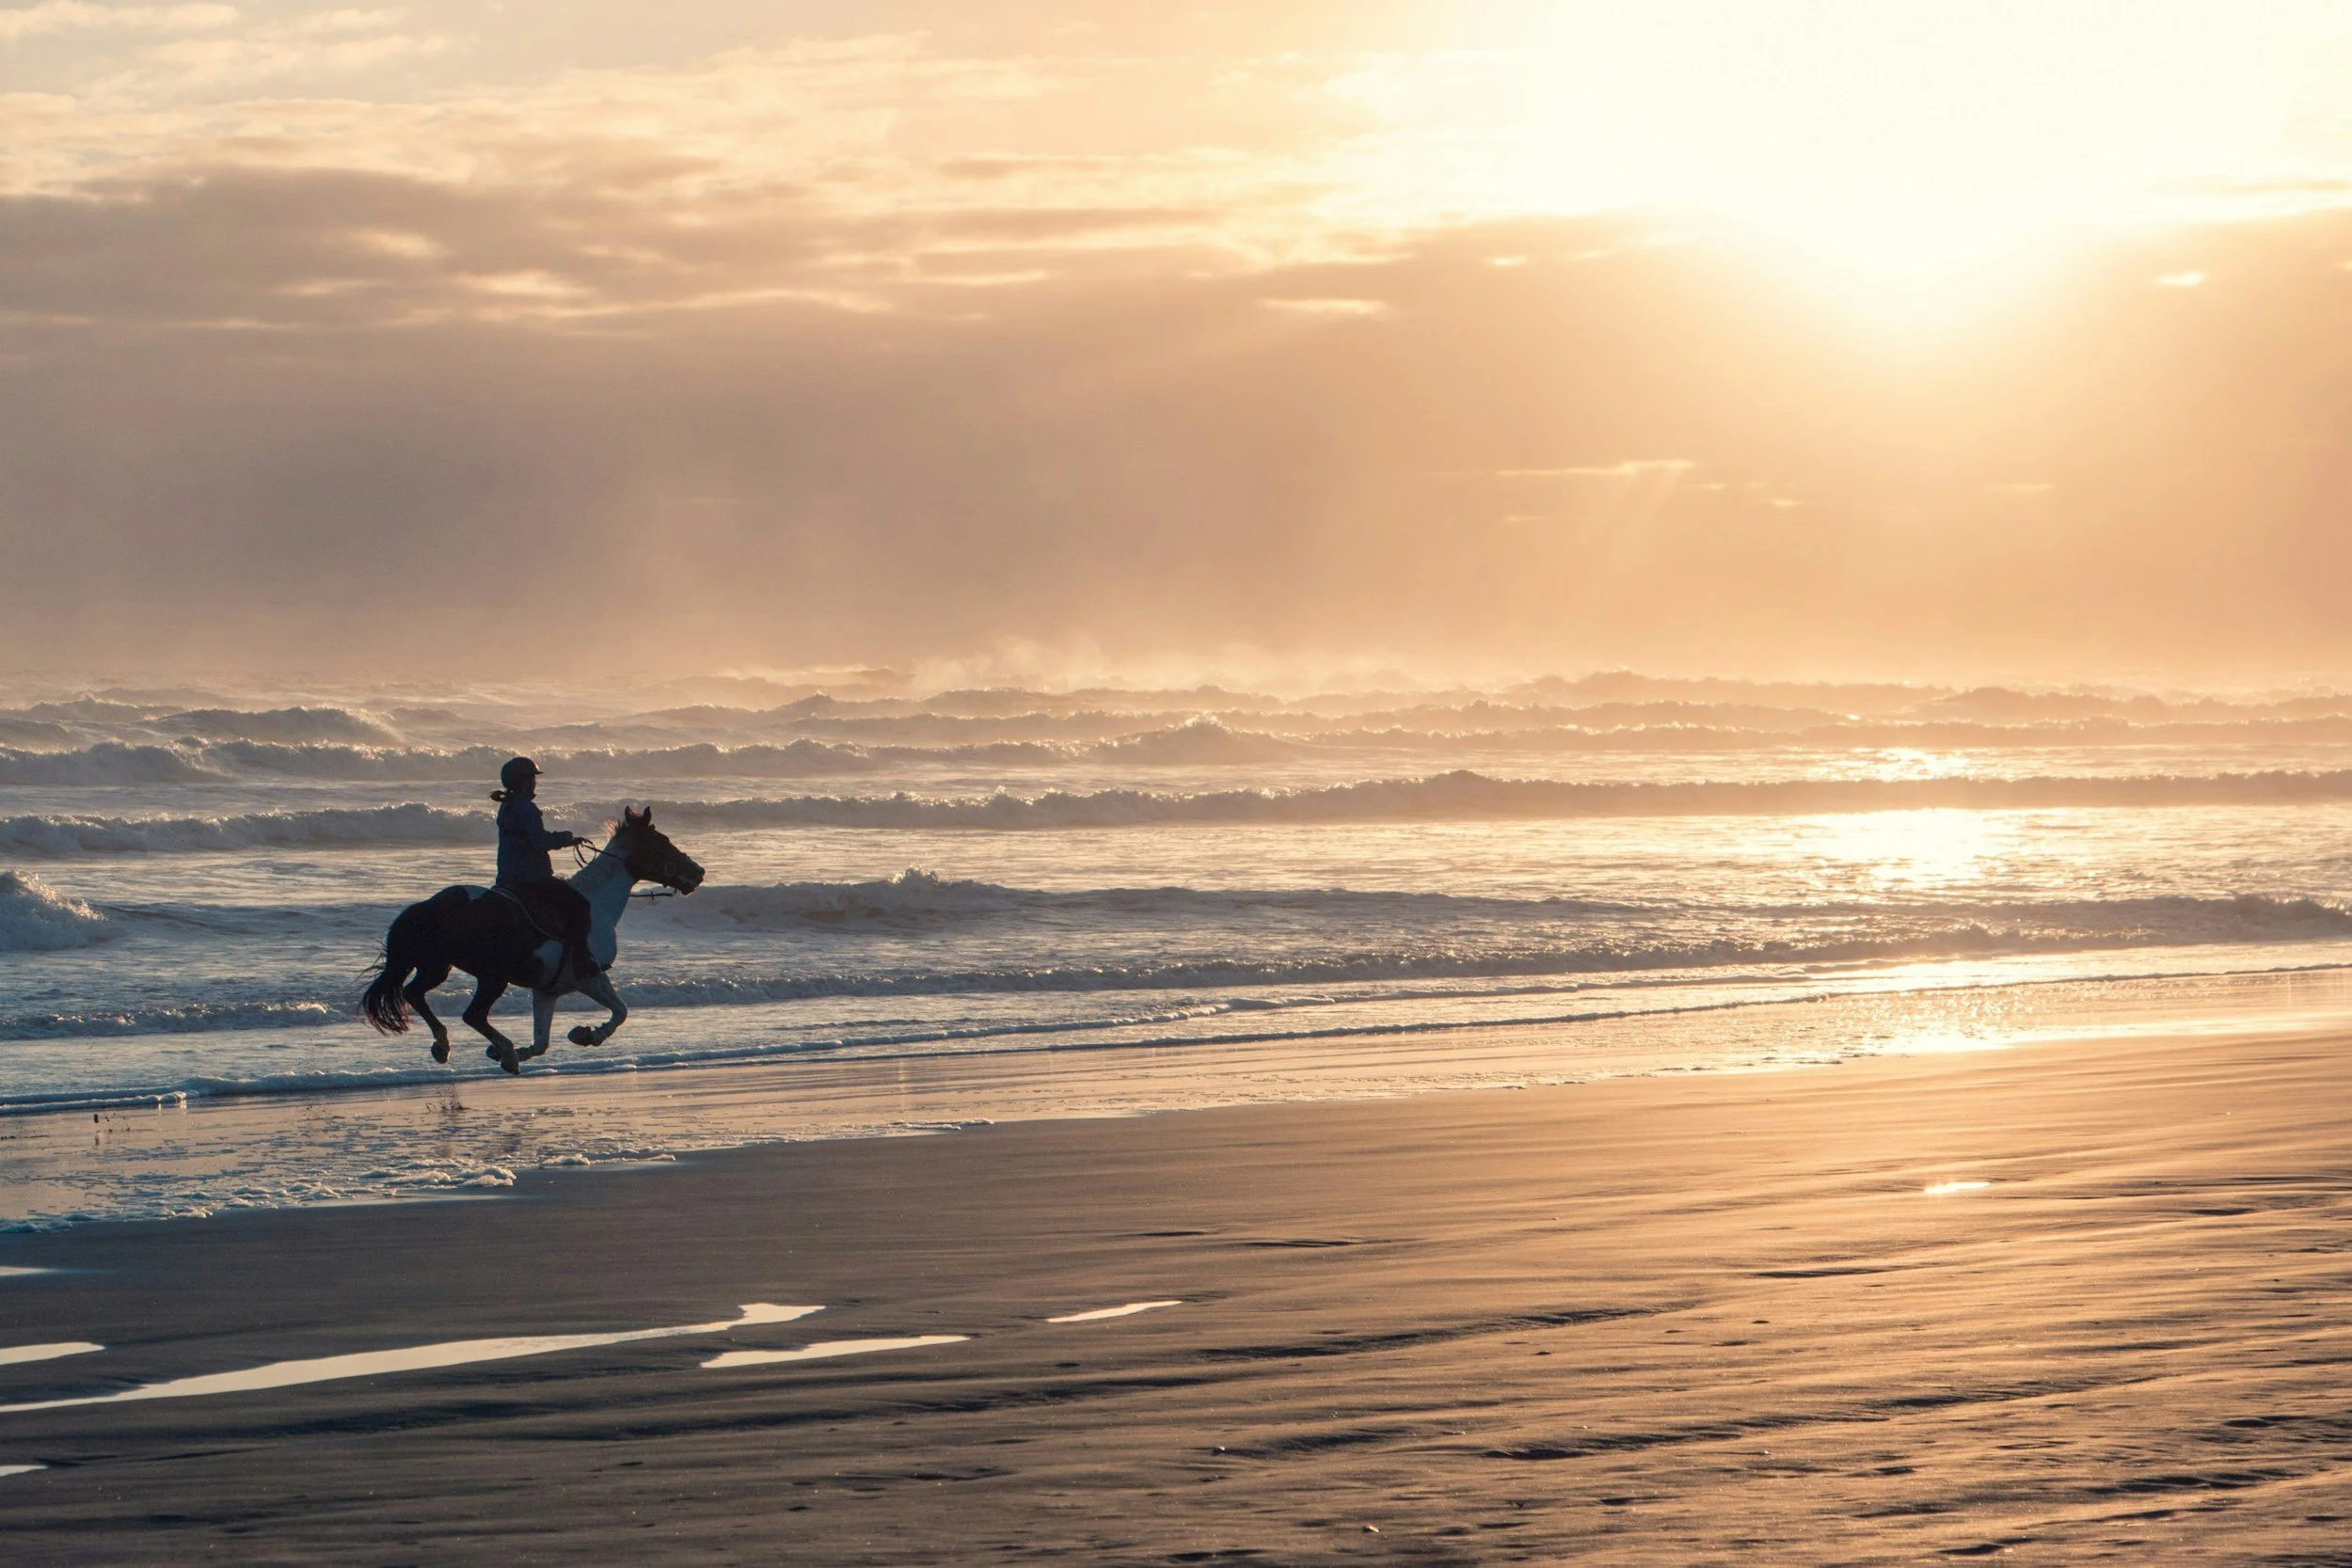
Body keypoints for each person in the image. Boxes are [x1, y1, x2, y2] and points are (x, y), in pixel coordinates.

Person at [490, 756, 597, 979]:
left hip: (506, 877)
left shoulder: (507, 806)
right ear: (524, 783)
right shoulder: (527, 809)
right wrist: (567, 838)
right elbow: (539, 842)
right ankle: (581, 960)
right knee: (580, 906)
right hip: (531, 878)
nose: (535, 784)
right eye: (532, 780)